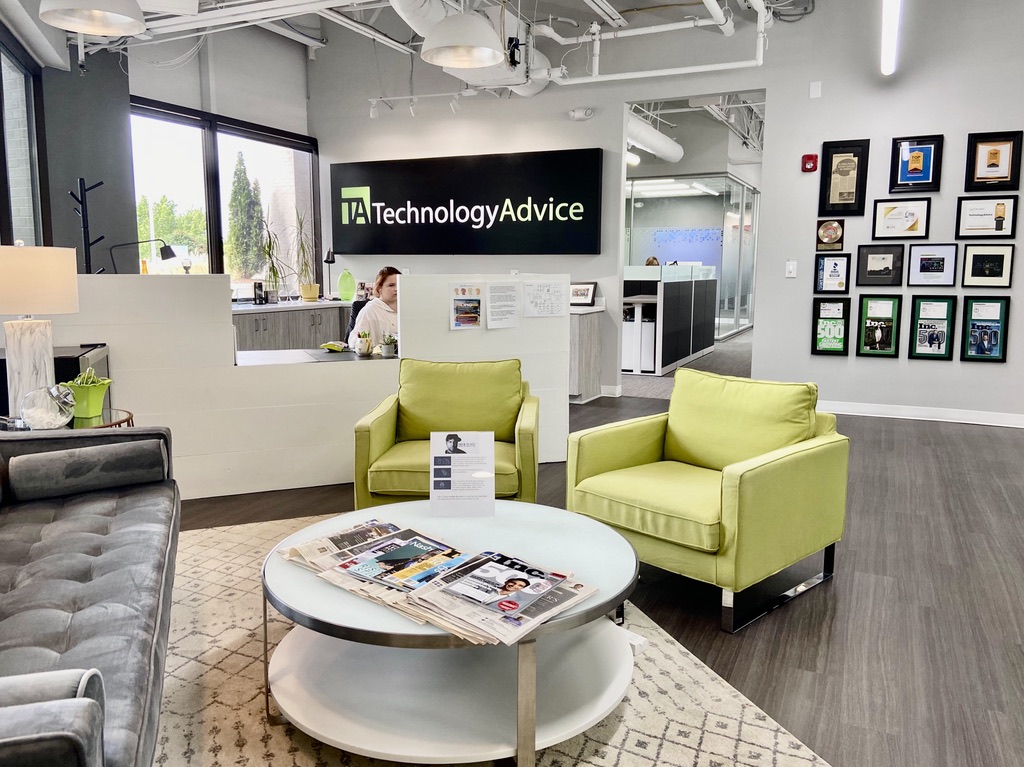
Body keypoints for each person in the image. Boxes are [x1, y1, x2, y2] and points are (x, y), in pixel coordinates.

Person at [347, 266, 401, 348]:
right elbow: (354, 341)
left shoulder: (408, 308)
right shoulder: (370, 310)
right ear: (379, 289)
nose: (396, 289)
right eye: (391, 285)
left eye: (399, 284)